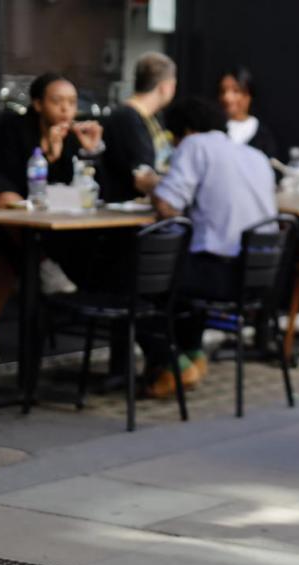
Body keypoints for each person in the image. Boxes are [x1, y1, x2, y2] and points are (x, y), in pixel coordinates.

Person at [139, 96, 277, 397]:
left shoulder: (195, 145)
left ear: (186, 131)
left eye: (174, 138)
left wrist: (150, 185)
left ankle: (173, 363)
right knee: (189, 264)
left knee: (144, 280)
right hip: (257, 279)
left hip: (221, 276)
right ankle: (194, 357)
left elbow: (166, 204)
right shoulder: (255, 156)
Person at [0, 72, 103, 363]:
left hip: (54, 229)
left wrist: (90, 152)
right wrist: (46, 152)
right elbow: (6, 180)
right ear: (38, 103)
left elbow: (79, 188)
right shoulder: (14, 127)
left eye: (72, 102)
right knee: (0, 247)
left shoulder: (71, 136)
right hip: (0, 224)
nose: (66, 109)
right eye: (58, 101)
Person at [102, 52, 177, 203]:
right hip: (126, 211)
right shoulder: (127, 118)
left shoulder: (152, 116)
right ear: (166, 87)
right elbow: (142, 174)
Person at [218, 66, 278, 160]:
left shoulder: (262, 135)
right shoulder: (213, 131)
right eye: (223, 91)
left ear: (248, 95)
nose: (227, 98)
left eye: (236, 91)